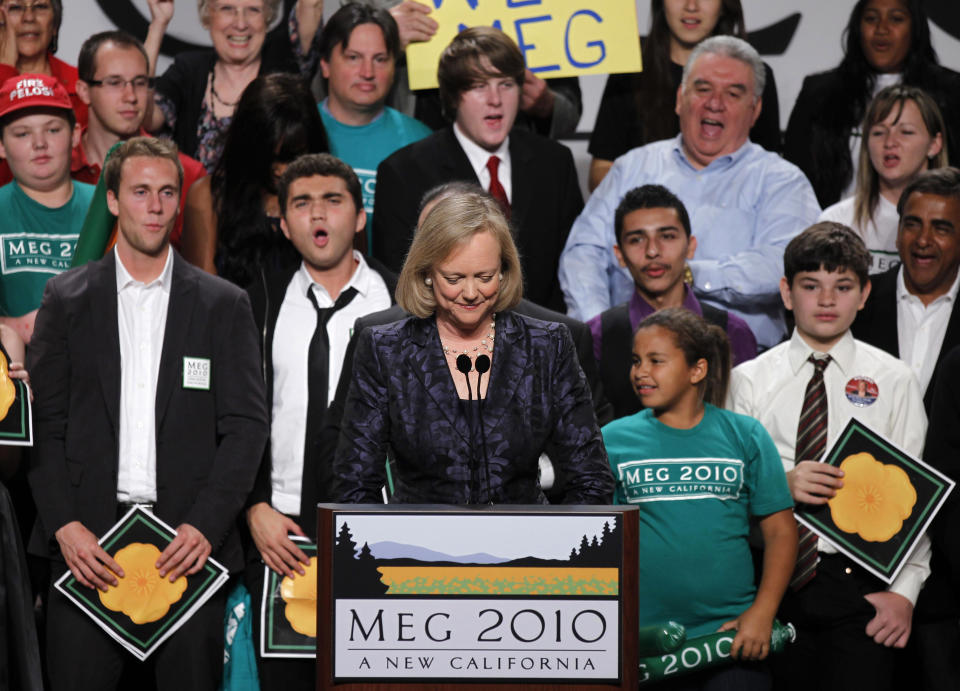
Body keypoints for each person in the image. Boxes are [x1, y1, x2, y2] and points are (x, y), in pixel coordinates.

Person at [25, 136, 267, 689]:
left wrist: (206, 526)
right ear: (112, 200)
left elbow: (246, 428)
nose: (155, 206)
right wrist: (65, 526)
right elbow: (46, 426)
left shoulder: (223, 305)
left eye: (165, 192)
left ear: (180, 203)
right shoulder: (66, 300)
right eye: (139, 192)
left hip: (185, 552)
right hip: (87, 551)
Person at [727, 222, 929, 691]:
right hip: (770, 581)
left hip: (860, 584)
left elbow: (916, 500)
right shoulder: (749, 379)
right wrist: (782, 484)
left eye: (842, 287)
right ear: (786, 291)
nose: (825, 300)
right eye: (810, 286)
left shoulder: (895, 380)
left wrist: (905, 592)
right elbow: (728, 486)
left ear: (863, 295)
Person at [334, 190, 613, 505]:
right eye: (454, 278)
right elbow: (354, 486)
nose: (470, 293)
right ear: (426, 273)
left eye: (485, 277)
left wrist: (561, 549)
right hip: (417, 549)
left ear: (505, 270)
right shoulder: (386, 350)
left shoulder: (547, 346)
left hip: (526, 548)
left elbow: (592, 480)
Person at [560, 35, 819, 349]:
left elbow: (781, 264)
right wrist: (601, 333)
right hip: (629, 358)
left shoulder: (782, 182)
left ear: (755, 109)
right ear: (680, 98)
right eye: (703, 88)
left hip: (740, 363)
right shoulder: (632, 167)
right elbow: (583, 254)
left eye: (733, 93)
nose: (715, 103)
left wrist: (687, 273)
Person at [244, 153, 394, 690]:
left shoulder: (404, 304)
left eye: (333, 200)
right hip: (280, 534)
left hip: (381, 536)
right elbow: (235, 420)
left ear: (359, 216)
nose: (318, 215)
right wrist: (253, 504)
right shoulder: (255, 304)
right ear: (284, 225)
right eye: (301, 204)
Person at [603, 307, 796, 688]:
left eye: (656, 361)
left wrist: (763, 611)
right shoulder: (612, 439)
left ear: (697, 370)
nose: (641, 371)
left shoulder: (745, 435)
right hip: (642, 641)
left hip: (729, 636)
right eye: (636, 360)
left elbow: (781, 533)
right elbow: (598, 541)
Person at [373, 26, 582, 312]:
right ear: (453, 96)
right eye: (478, 86)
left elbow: (574, 268)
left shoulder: (555, 163)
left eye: (506, 84)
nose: (494, 99)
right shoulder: (405, 172)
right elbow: (403, 283)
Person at [588, 184, 756, 420]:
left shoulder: (732, 332)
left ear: (691, 246)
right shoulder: (596, 336)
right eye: (637, 239)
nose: (653, 251)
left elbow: (746, 425)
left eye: (667, 236)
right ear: (619, 254)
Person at [588, 0, 781, 192]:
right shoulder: (630, 71)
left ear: (724, 5)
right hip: (644, 217)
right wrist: (652, 206)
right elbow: (601, 170)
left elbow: (769, 175)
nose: (691, 6)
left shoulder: (753, 77)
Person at [784, 0, 960, 208]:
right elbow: (794, 176)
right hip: (833, 228)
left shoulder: (950, 92)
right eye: (871, 19)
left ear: (916, 28)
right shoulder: (819, 93)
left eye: (896, 19)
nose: (882, 29)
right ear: (858, 28)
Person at [180, 72, 329, 286]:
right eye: (269, 158)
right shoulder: (209, 197)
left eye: (292, 157)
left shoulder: (335, 199)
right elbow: (202, 299)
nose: (281, 170)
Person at [144, 0, 324, 171]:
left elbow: (311, 6)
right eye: (227, 8)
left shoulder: (283, 68)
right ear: (208, 16)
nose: (240, 23)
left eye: (253, 9)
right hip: (192, 202)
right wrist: (158, 24)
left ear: (267, 17)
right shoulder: (188, 70)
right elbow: (146, 117)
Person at [73, 30, 208, 250]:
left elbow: (201, 277)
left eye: (140, 82)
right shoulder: (55, 170)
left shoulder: (188, 174)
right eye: (115, 82)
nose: (131, 97)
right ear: (84, 91)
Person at [316, 3, 430, 250]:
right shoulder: (299, 132)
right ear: (325, 65)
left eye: (380, 59)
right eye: (353, 58)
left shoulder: (421, 142)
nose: (367, 72)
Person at [852, 167, 960, 409]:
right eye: (912, 224)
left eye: (941, 228)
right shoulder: (856, 303)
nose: (923, 240)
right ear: (898, 233)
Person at [0, 73, 94, 345]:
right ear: (2, 145)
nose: (39, 143)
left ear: (76, 135)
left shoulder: (109, 208)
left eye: (53, 130)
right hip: (15, 376)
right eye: (22, 133)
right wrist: (15, 327)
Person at [819, 84, 947, 274]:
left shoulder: (954, 218)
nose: (889, 142)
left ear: (934, 144)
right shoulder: (836, 221)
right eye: (879, 132)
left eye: (906, 132)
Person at [0, 0, 86, 125]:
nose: (29, 18)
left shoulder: (81, 87)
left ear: (55, 25)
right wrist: (4, 72)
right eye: (16, 7)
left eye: (40, 6)